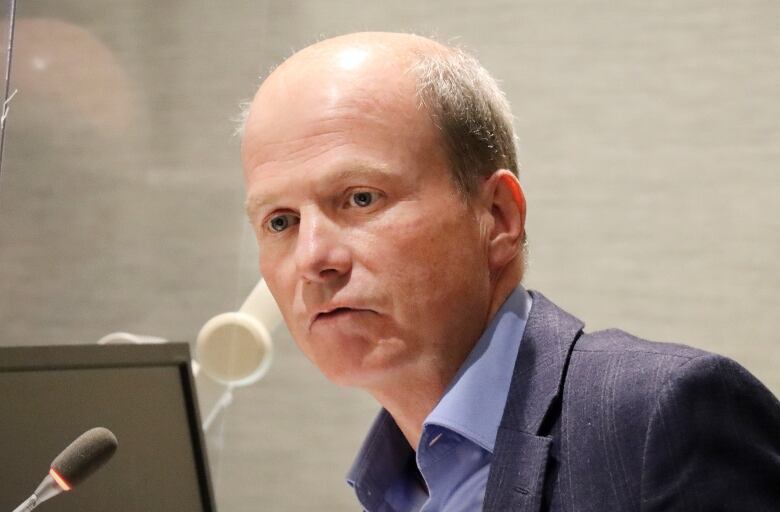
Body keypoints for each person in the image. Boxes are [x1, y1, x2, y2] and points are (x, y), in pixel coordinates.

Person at [239, 32, 780, 511]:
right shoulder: (392, 482)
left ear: (497, 217)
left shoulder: (661, 418)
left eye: (360, 198)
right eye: (280, 221)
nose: (313, 259)